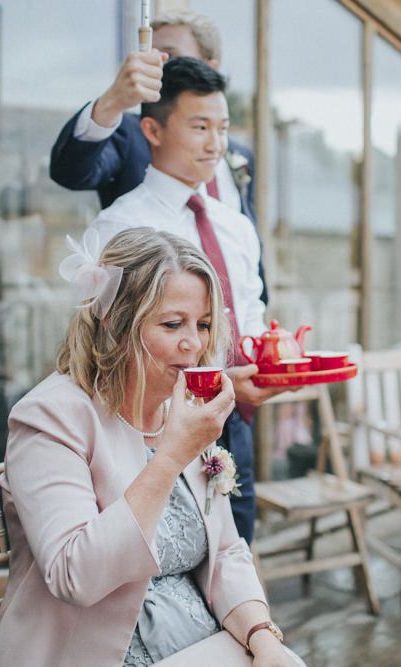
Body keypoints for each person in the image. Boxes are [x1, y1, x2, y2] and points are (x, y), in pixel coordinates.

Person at [0, 228, 299, 666]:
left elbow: (226, 550)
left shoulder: (183, 405)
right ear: (115, 323)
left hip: (202, 642)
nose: (195, 344)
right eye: (173, 324)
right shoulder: (50, 417)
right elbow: (75, 576)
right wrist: (170, 457)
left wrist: (264, 639)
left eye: (204, 324)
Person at [89, 57, 288, 544]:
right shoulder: (120, 226)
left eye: (222, 127)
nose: (215, 143)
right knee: (163, 552)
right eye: (200, 126)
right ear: (153, 130)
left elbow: (249, 309)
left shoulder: (234, 224)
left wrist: (271, 358)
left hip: (236, 420)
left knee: (234, 544)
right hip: (147, 426)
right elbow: (105, 345)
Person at [50, 10, 267, 305]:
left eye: (168, 57)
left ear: (208, 67)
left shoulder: (237, 154)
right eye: (150, 55)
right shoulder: (129, 133)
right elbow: (70, 171)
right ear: (152, 132)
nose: (153, 66)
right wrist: (112, 101)